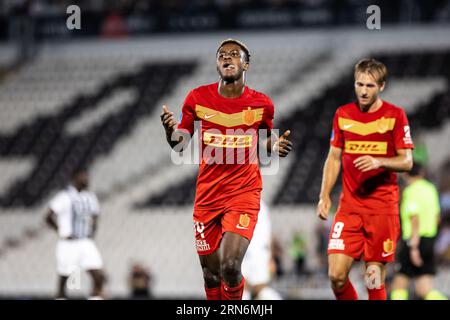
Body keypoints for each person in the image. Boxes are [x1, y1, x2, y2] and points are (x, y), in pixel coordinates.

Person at [160, 39, 292, 300]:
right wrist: (169, 131)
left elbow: (265, 137)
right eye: (222, 55)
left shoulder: (262, 104)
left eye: (234, 54)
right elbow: (179, 145)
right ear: (216, 63)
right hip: (208, 197)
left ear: (246, 64)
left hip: (244, 193)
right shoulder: (197, 98)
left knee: (230, 267)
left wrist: (274, 145)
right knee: (211, 275)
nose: (227, 58)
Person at [316, 58, 414, 300]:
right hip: (349, 209)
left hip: (382, 210)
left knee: (372, 278)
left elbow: (407, 161)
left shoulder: (395, 115)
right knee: (336, 276)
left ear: (381, 86)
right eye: (359, 84)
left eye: (370, 86)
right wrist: (324, 195)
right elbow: (334, 157)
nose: (363, 91)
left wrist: (379, 161)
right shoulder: (343, 114)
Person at [45, 167, 105, 299]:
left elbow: (95, 215)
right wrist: (61, 231)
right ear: (75, 177)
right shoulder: (64, 196)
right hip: (69, 243)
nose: (86, 179)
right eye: (83, 176)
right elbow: (48, 216)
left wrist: (92, 232)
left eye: (87, 176)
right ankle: (60, 297)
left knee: (99, 275)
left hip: (85, 242)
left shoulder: (90, 197)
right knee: (65, 277)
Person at [390, 163, 447, 300]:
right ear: (421, 172)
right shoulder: (431, 188)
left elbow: (414, 217)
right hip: (429, 239)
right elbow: (437, 217)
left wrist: (414, 247)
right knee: (425, 289)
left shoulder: (411, 191)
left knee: (399, 285)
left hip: (414, 241)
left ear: (405, 174)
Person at [242, 201, 282, 300]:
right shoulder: (262, 206)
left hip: (247, 251)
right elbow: (268, 234)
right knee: (259, 288)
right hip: (260, 252)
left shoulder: (239, 203)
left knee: (246, 288)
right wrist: (271, 258)